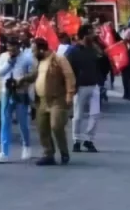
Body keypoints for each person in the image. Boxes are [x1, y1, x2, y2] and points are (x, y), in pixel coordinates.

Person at [26, 37, 76, 166]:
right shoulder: (39, 61)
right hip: (41, 101)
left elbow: (69, 76)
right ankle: (48, 154)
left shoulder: (59, 59)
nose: (33, 53)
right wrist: (21, 80)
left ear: (42, 49)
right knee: (42, 128)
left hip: (57, 100)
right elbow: (34, 76)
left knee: (56, 126)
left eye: (34, 50)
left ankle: (64, 151)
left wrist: (69, 94)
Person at [0, 37, 35, 163]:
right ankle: (4, 151)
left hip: (20, 92)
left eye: (13, 48)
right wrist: (9, 63)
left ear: (18, 47)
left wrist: (24, 84)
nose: (11, 51)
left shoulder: (27, 58)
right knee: (5, 121)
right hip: (6, 92)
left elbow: (32, 76)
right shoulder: (3, 57)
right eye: (9, 48)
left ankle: (26, 145)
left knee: (23, 121)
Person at [66, 24, 102, 153]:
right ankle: (77, 140)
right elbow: (67, 70)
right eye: (91, 33)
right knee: (78, 115)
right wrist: (71, 86)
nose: (94, 35)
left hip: (94, 85)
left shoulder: (94, 49)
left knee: (95, 114)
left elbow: (101, 64)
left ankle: (89, 139)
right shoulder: (73, 51)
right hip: (80, 87)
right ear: (84, 35)